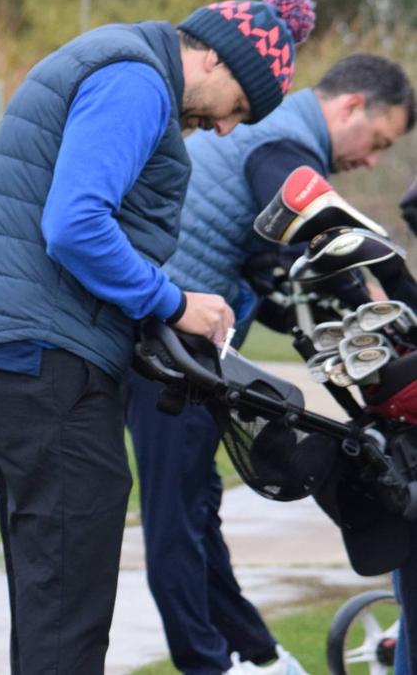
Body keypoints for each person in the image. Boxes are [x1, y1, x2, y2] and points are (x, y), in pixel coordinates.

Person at [0, 0, 318, 674]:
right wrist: (174, 303)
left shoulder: (120, 65)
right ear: (211, 56)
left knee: (52, 597)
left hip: (25, 356)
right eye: (238, 107)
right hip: (48, 361)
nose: (229, 129)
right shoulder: (137, 81)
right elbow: (76, 224)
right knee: (69, 610)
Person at [127, 52, 413, 675]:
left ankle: (255, 654)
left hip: (183, 347)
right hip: (160, 346)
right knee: (177, 517)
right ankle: (212, 662)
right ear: (351, 107)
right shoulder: (282, 142)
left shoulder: (278, 134)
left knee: (197, 512)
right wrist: (395, 295)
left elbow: (282, 269)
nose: (371, 160)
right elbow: (324, 233)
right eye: (378, 142)